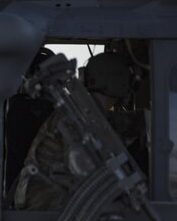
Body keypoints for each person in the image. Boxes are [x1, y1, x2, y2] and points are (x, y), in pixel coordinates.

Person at [13, 52, 146, 211]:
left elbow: (119, 122)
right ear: (116, 80)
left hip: (58, 201)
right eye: (128, 78)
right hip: (48, 206)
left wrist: (149, 121)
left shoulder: (90, 110)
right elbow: (87, 171)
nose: (131, 84)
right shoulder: (78, 116)